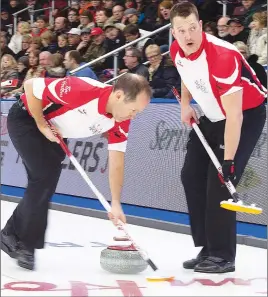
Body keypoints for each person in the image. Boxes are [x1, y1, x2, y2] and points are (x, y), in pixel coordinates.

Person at [1, 73, 152, 271]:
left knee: (45, 181)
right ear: (118, 96)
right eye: (133, 110)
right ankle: (24, 244)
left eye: (137, 113)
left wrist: (115, 203)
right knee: (44, 176)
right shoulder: (82, 89)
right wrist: (41, 124)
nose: (133, 116)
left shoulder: (121, 120)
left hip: (54, 131)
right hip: (27, 117)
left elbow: (116, 161)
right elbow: (30, 86)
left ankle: (12, 235)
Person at [169, 2, 266, 273]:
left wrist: (229, 162)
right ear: (173, 32)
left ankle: (223, 256)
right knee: (191, 175)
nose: (187, 36)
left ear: (200, 26)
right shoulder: (177, 49)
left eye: (192, 28)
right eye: (181, 30)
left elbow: (235, 116)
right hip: (211, 114)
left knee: (220, 182)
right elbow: (186, 74)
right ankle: (208, 248)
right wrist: (185, 105)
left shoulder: (222, 56)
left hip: (244, 116)